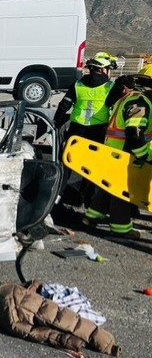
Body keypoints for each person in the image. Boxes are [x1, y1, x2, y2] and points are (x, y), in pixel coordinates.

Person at [82, 67, 152, 239]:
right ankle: (121, 228)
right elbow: (134, 132)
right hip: (124, 154)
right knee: (123, 191)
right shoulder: (140, 103)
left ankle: (91, 217)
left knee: (109, 187)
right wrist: (144, 155)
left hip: (113, 151)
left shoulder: (131, 98)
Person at [54, 54, 119, 204]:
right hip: (98, 131)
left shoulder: (77, 84)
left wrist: (56, 122)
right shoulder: (110, 87)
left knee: (68, 163)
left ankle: (58, 194)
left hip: (77, 130)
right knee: (93, 166)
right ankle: (87, 198)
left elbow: (64, 105)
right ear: (103, 70)